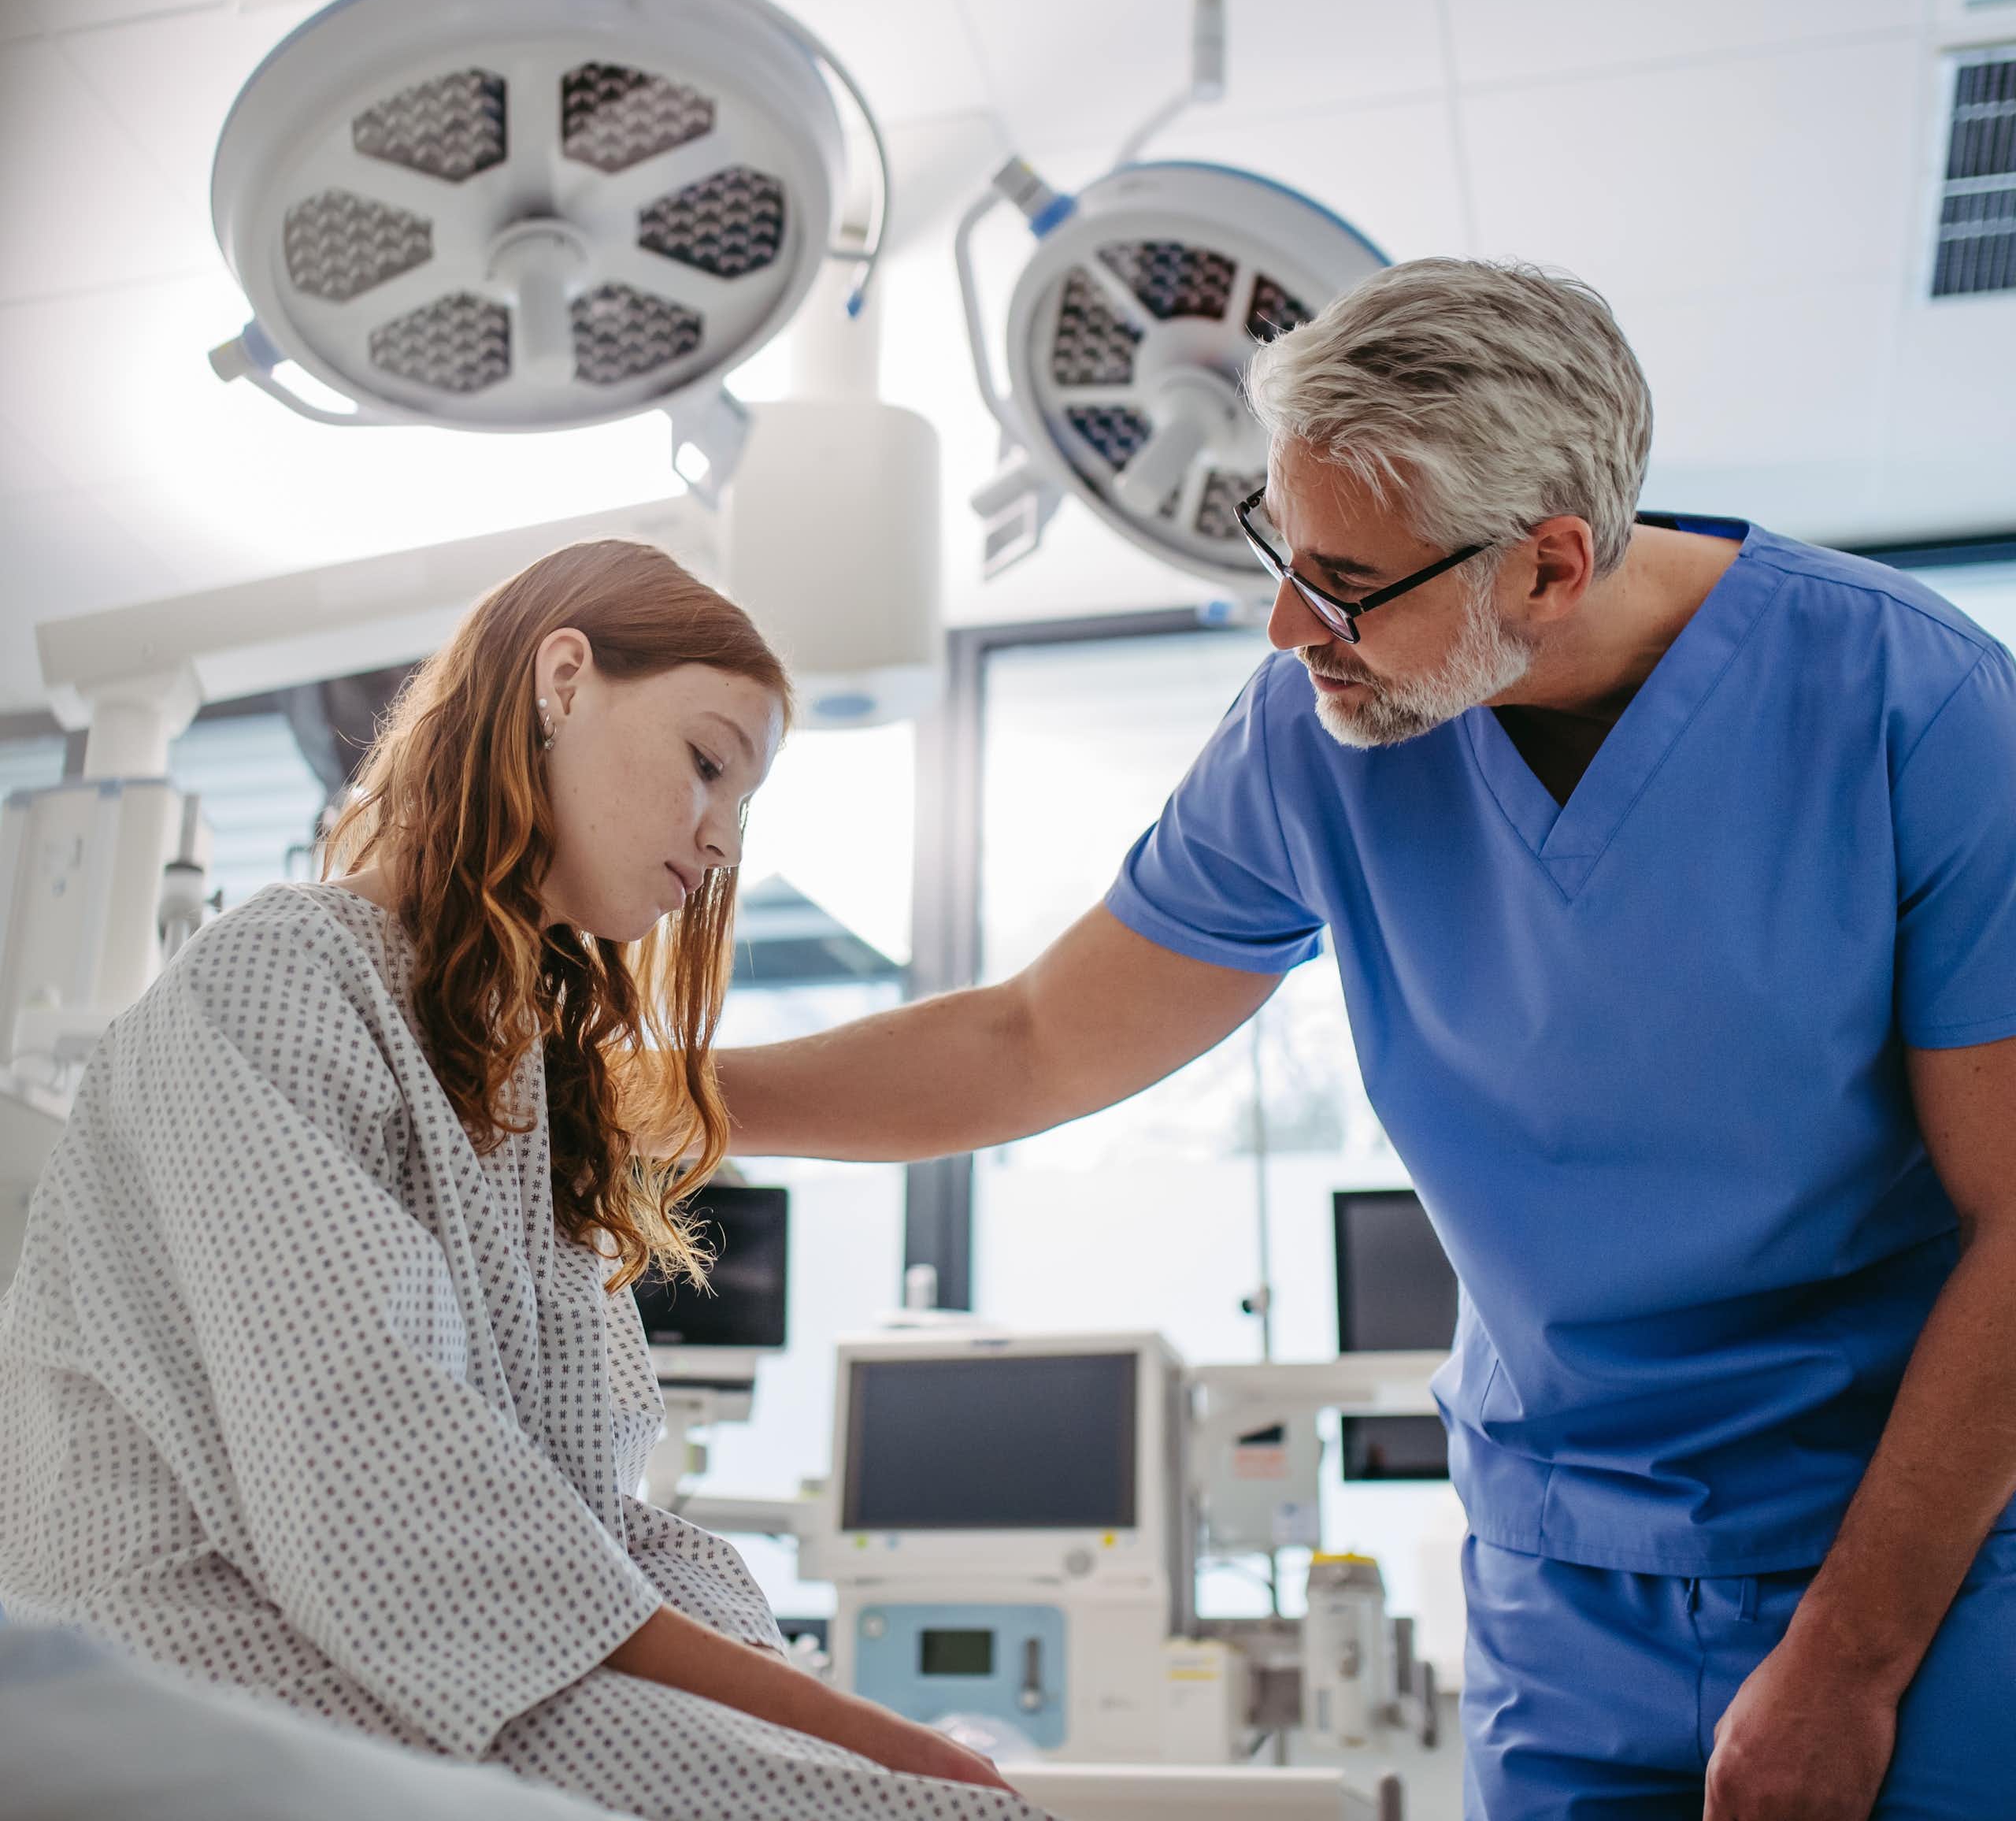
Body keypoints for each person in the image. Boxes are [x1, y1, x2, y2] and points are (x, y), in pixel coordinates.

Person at [717, 261, 2016, 1821]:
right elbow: (1034, 1037)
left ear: (1542, 566)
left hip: (1905, 1548)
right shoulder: (1314, 738)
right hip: (1562, 1566)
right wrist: (659, 1102)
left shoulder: (1908, 703)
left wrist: (1855, 1656)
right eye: (1278, 546)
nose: (1286, 624)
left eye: (1339, 579)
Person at [0, 540, 1046, 1821]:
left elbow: (595, 1515)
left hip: (441, 1670)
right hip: (233, 1664)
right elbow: (388, 1485)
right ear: (563, 678)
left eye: (743, 804)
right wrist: (853, 1734)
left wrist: (800, 1695)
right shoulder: (277, 977)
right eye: (707, 763)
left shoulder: (509, 1081)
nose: (722, 843)